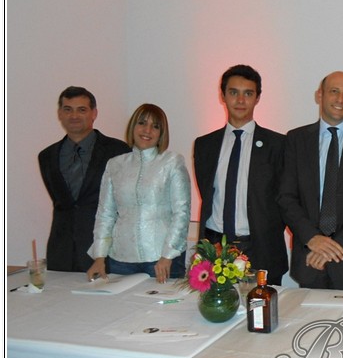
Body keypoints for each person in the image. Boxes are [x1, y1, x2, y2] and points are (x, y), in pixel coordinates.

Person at [278, 71, 343, 290]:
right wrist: (312, 239)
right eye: (334, 91)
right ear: (320, 95)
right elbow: (286, 197)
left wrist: (335, 246)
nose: (340, 99)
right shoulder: (296, 139)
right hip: (310, 257)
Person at [193, 64, 288, 285]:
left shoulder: (278, 145)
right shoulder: (205, 145)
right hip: (215, 247)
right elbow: (207, 194)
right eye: (234, 92)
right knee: (217, 306)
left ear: (257, 98)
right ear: (223, 95)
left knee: (260, 307)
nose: (240, 100)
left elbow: (285, 199)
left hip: (261, 248)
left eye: (248, 93)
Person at [86, 104, 191, 283]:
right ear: (133, 126)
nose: (147, 130)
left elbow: (182, 212)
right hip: (121, 258)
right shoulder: (115, 164)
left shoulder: (172, 162)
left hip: (162, 259)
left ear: (161, 133)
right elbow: (105, 213)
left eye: (155, 126)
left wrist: (168, 255)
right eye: (142, 123)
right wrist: (99, 256)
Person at [38, 87, 131, 272]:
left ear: (94, 113)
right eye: (68, 109)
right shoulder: (46, 156)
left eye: (81, 109)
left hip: (105, 253)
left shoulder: (118, 151)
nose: (74, 116)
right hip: (61, 252)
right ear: (60, 114)